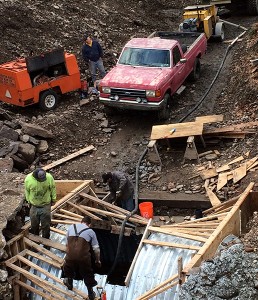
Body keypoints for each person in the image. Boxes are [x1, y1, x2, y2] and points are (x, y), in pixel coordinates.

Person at [62, 216, 101, 300]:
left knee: (68, 267)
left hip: (70, 255)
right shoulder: (91, 231)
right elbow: (96, 249)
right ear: (89, 224)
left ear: (81, 221)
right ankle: (90, 293)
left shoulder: (72, 227)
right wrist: (97, 260)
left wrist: (68, 254)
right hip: (83, 257)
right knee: (87, 273)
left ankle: (69, 282)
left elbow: (66, 243)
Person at [24, 168, 56, 239]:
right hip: (34, 206)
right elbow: (27, 191)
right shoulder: (28, 179)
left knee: (46, 225)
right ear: (35, 177)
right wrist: (28, 201)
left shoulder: (49, 177)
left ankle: (46, 241)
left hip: (45, 205)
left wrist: (53, 199)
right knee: (34, 225)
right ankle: (36, 240)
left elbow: (53, 188)